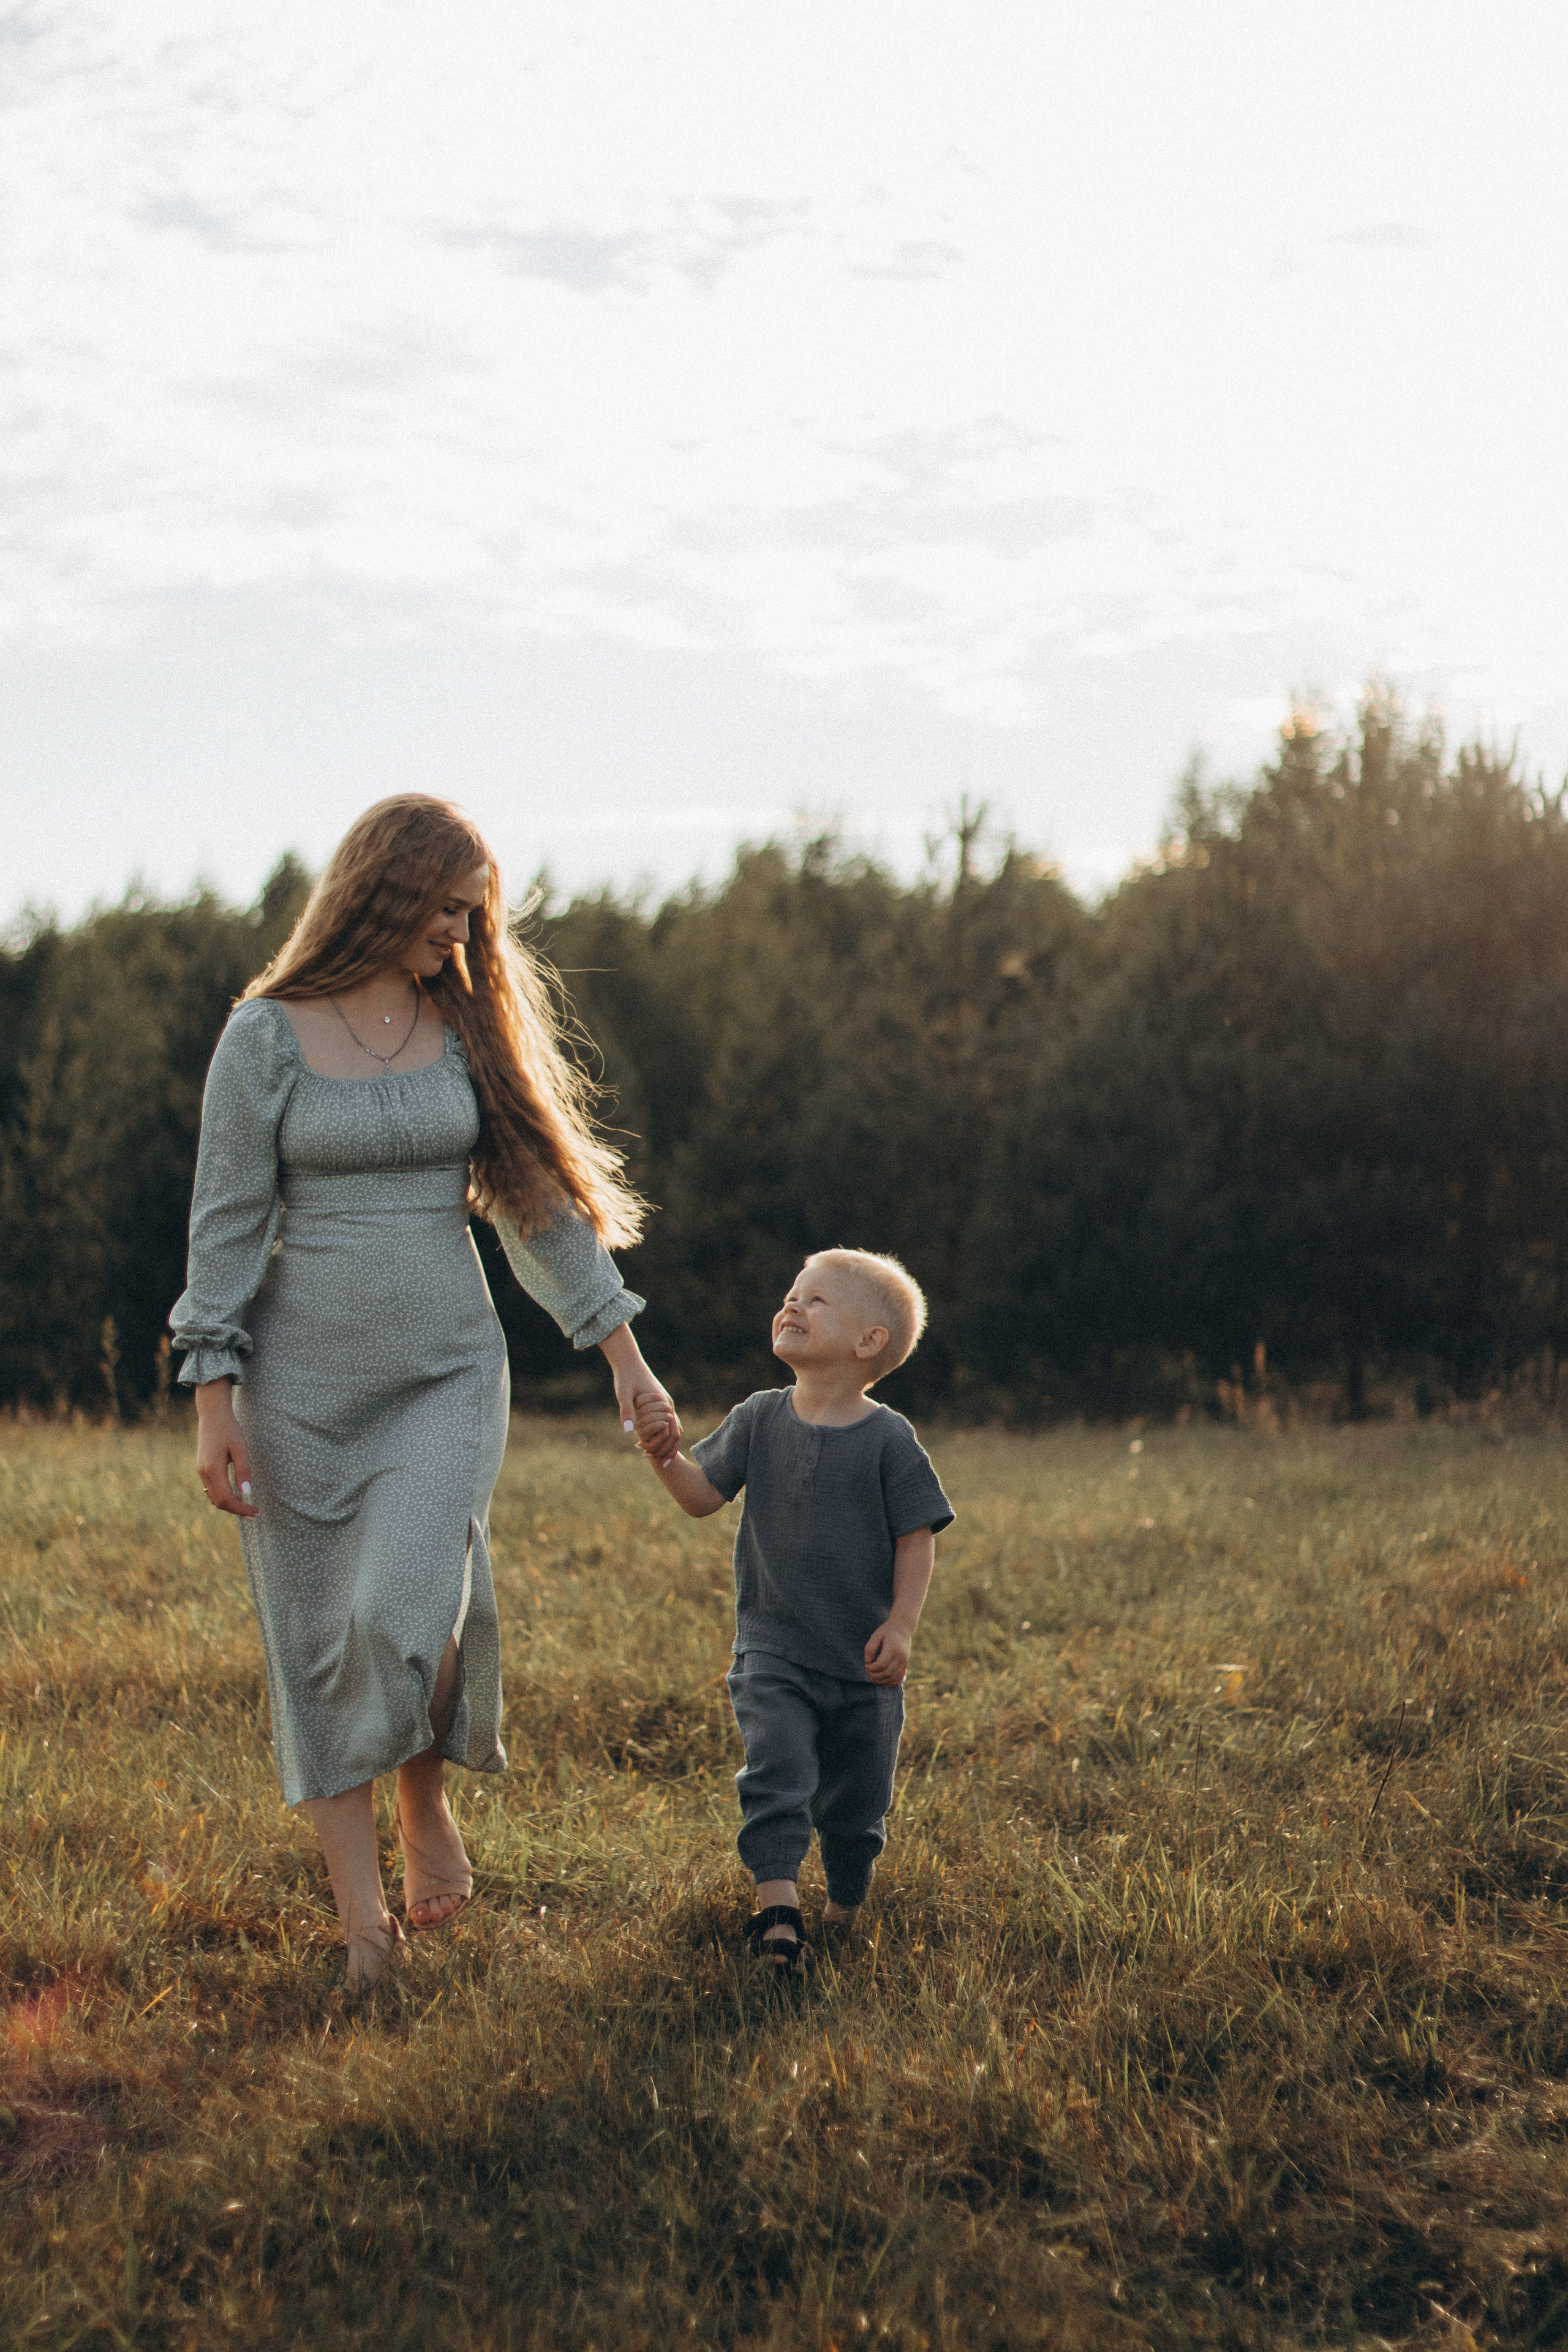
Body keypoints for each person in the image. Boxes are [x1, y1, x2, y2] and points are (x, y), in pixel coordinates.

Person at [171, 794, 677, 1985]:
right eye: (446, 908)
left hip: (445, 1373)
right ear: (381, 889)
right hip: (298, 1387)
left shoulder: (465, 1025)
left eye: (471, 913)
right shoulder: (264, 1036)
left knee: (401, 1618)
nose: (461, 932)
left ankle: (423, 1798)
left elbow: (537, 1208)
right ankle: (365, 1932)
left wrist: (624, 1355)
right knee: (319, 1646)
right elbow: (226, 1226)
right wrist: (213, 1396)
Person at [633, 1250, 952, 1972]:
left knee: (855, 1807)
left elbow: (916, 1537)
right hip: (772, 1648)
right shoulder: (758, 1417)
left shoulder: (889, 1439)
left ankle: (845, 1902)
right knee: (775, 1772)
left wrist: (900, 1626)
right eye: (790, 1295)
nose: (791, 1306)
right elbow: (702, 1498)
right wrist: (664, 1456)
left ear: (869, 1342)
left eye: (816, 1300)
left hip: (861, 1662)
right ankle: (777, 1911)